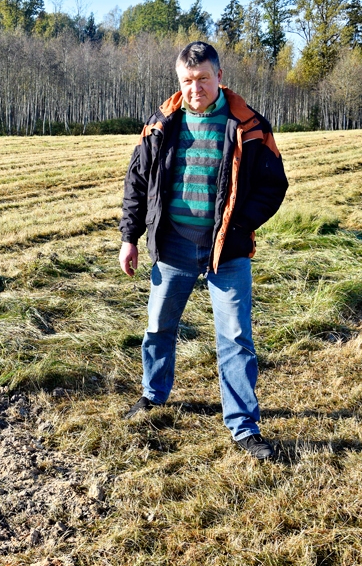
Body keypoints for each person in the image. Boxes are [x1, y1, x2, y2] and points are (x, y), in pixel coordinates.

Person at [118, 41, 288, 460]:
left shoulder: (248, 124)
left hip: (226, 252)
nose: (195, 88)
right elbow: (137, 183)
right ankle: (153, 396)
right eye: (188, 80)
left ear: (219, 77)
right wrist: (129, 237)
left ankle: (244, 428)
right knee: (158, 328)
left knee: (235, 338)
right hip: (172, 248)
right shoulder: (162, 123)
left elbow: (273, 185)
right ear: (180, 80)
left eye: (204, 79)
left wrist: (237, 225)